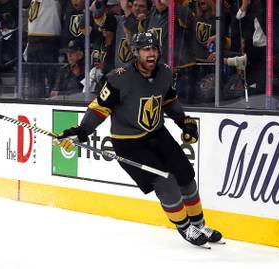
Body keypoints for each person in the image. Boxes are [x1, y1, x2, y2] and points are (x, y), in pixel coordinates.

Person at [56, 32, 223, 247]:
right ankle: (185, 227)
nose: (151, 54)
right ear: (136, 53)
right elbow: (99, 108)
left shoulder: (164, 72)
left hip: (157, 134)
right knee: (165, 180)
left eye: (154, 49)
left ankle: (199, 225)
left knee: (186, 177)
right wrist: (81, 130)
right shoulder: (119, 78)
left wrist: (184, 121)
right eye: (146, 50)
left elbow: (169, 100)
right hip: (129, 142)